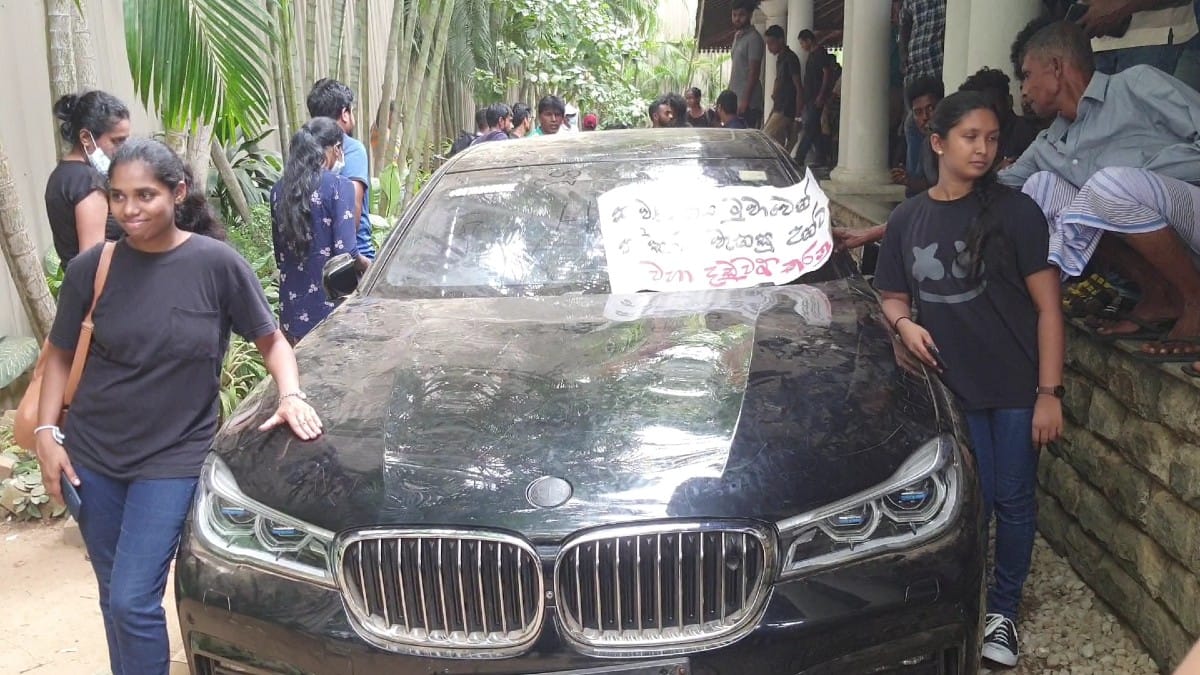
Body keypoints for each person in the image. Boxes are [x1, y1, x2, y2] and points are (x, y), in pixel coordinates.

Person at [33, 138, 322, 675]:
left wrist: (291, 394)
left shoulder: (216, 265)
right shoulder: (93, 268)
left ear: (178, 191)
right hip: (93, 458)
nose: (130, 209)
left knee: (131, 600)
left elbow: (273, 342)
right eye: (118, 197)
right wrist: (47, 433)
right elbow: (58, 355)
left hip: (172, 459)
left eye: (145, 195)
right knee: (114, 597)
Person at [875, 91, 1064, 669]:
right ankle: (962, 600)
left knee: (1011, 499)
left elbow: (1049, 309)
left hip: (1012, 387)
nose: (983, 149)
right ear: (938, 143)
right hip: (947, 392)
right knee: (962, 507)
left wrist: (1048, 394)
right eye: (969, 137)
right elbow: (891, 295)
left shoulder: (1016, 213)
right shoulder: (909, 217)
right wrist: (904, 325)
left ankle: (1002, 611)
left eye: (990, 138)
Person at [1002, 20, 1200, 359]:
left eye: (1027, 74)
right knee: (1041, 188)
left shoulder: (1136, 85)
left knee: (1108, 184)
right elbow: (994, 193)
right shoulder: (1048, 143)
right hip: (1158, 239)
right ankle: (1157, 294)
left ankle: (1195, 301)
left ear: (1056, 67)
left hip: (1193, 209)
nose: (1024, 90)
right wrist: (916, 215)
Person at [272, 118, 363, 343]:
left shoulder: (277, 190)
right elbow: (346, 253)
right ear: (334, 149)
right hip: (331, 307)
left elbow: (280, 256)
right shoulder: (339, 186)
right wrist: (371, 267)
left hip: (292, 308)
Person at [45, 91, 131, 267]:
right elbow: (93, 263)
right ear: (85, 137)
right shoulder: (87, 182)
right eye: (117, 141)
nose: (123, 149)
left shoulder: (61, 176)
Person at [306, 79, 374, 263]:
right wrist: (356, 261)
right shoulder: (351, 148)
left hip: (315, 257)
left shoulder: (303, 150)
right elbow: (353, 211)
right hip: (353, 258)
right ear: (344, 113)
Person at [958, 67, 1039, 167]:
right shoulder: (985, 137)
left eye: (991, 106)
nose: (985, 114)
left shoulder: (1025, 133)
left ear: (1009, 101)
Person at [892, 75, 944, 197]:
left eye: (931, 108)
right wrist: (907, 179)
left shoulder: (953, 142)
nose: (925, 117)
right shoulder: (924, 141)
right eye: (918, 112)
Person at [795, 29, 837, 165]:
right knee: (815, 130)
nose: (802, 46)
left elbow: (826, 74)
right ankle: (822, 157)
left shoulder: (819, 54)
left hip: (816, 97)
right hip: (810, 97)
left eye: (802, 43)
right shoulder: (812, 55)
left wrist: (821, 95)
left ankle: (799, 157)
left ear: (808, 41)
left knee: (809, 128)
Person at [763, 25, 804, 151]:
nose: (769, 48)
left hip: (786, 109)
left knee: (766, 138)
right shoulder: (780, 59)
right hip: (778, 107)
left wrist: (797, 117)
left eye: (771, 43)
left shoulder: (791, 59)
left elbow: (798, 88)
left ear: (780, 40)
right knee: (777, 145)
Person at [728, 0, 765, 129]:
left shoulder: (754, 38)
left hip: (749, 103)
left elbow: (754, 73)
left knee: (747, 144)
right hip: (735, 99)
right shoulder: (737, 37)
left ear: (750, 15)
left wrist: (745, 101)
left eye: (741, 15)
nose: (737, 18)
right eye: (734, 15)